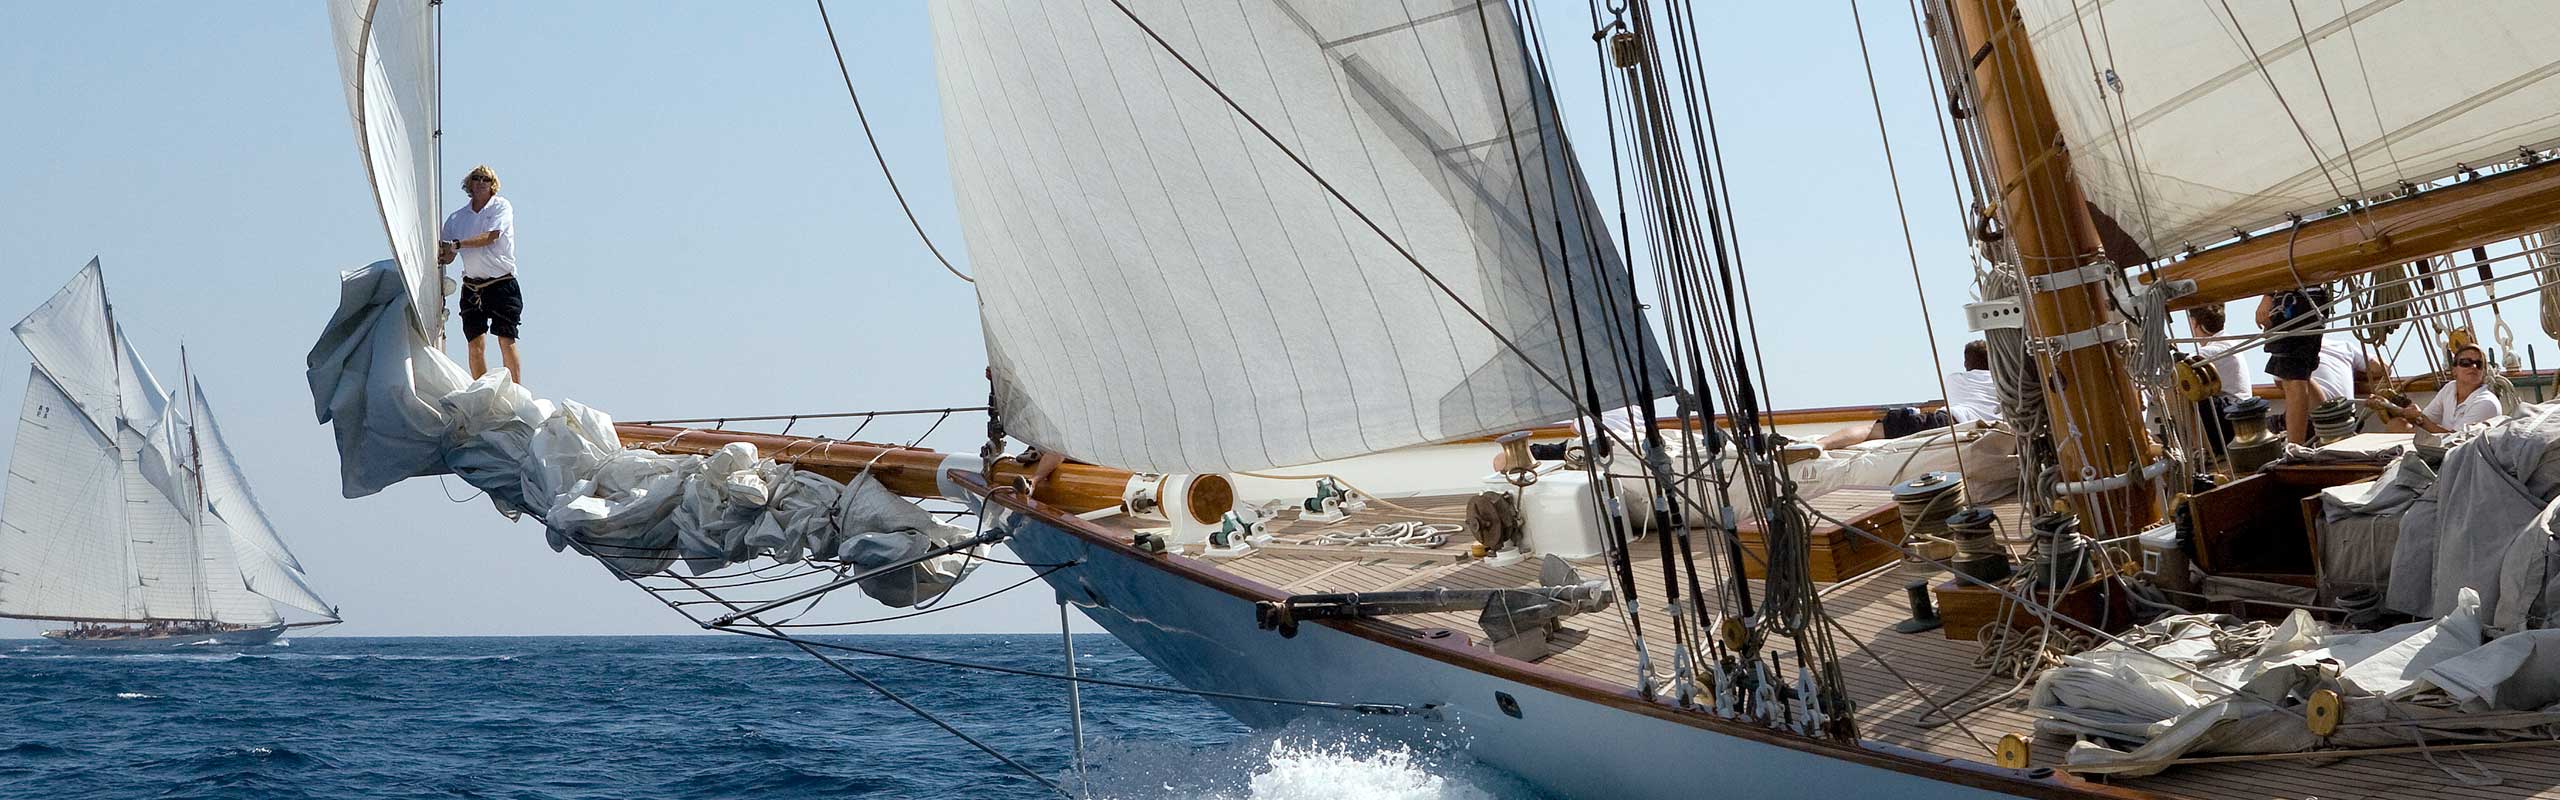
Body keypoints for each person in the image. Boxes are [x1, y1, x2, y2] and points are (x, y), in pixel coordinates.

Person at [1816, 340, 2000, 450]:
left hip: (1948, 420)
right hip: (1989, 427)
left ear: (1967, 363)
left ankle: (1821, 444)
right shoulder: (2004, 382)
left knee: (1872, 430)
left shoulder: (1955, 379)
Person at [439, 164, 521, 382]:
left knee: (506, 339)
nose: (482, 182)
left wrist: (457, 244)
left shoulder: (500, 207)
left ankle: (516, 391)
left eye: (487, 179)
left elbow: (491, 236)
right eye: (477, 178)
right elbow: (448, 255)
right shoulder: (457, 218)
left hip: (502, 283)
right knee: (475, 343)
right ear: (470, 184)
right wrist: (441, 252)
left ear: (493, 184)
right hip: (472, 286)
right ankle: (482, 391)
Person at [2370, 343, 2501, 433]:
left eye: (2479, 364)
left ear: (2483, 372)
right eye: (2466, 363)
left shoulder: (2486, 403)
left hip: (2464, 456)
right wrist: (2388, 405)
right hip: (2444, 449)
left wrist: (2420, 419)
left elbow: (2457, 440)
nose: (2473, 367)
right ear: (2454, 370)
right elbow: (2428, 419)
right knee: (2397, 424)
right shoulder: (2450, 388)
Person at [2258, 287, 2330, 444]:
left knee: (2293, 378)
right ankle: (2332, 433)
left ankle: (2295, 449)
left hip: (2295, 298)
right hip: (2308, 297)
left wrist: (2268, 295)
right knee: (2299, 375)